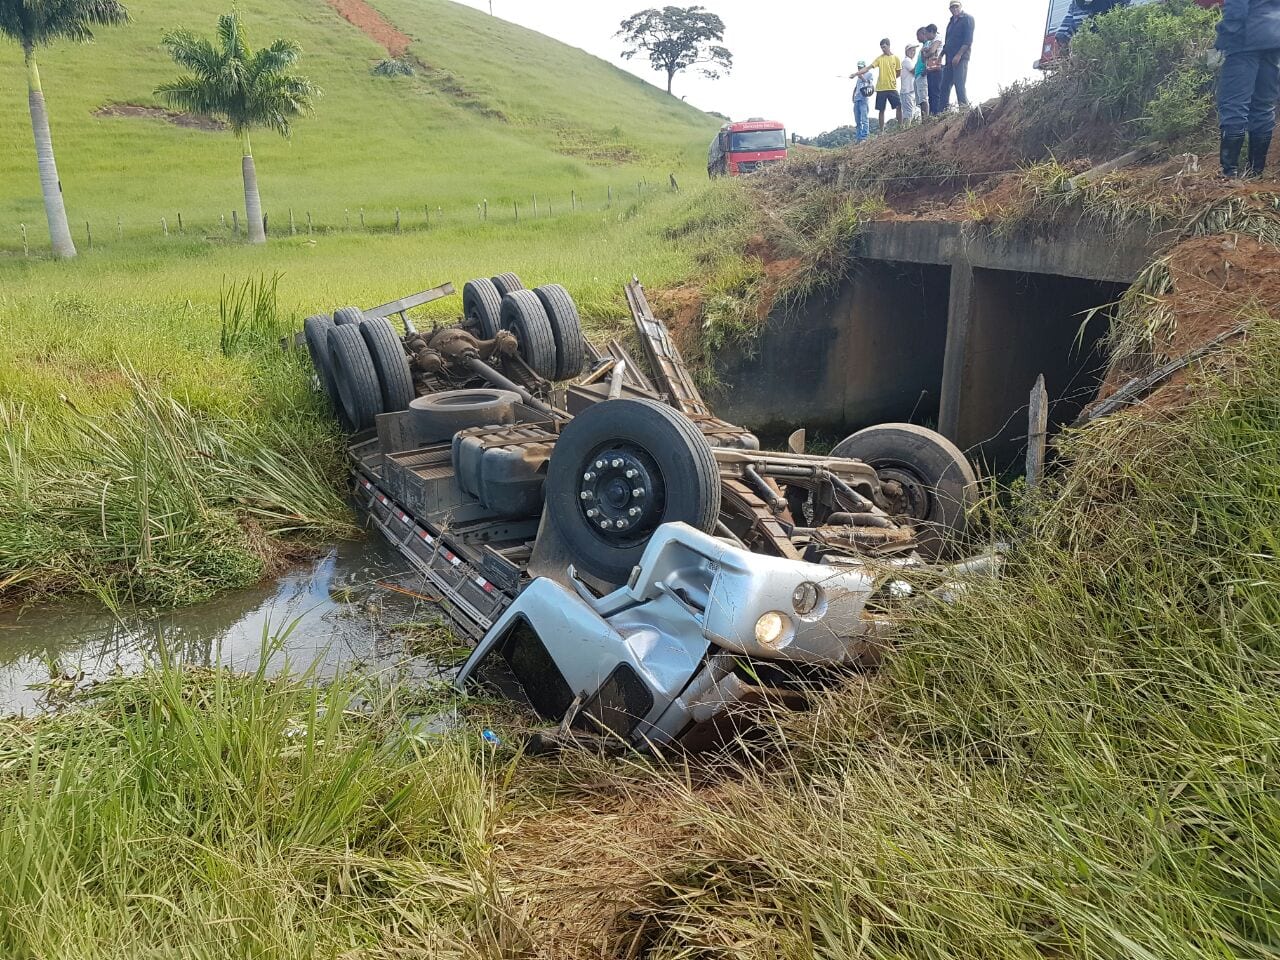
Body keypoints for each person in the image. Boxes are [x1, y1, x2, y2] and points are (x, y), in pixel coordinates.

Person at [1216, 0, 1280, 177]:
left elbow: (1237, 7)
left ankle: (1230, 173)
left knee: (1234, 104)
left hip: (1245, 40)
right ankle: (1256, 172)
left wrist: (1225, 36)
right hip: (1274, 37)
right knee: (1263, 105)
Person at [942, 1, 975, 110]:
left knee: (959, 84)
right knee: (944, 86)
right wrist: (940, 56)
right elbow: (947, 42)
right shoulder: (951, 22)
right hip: (949, 58)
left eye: (956, 6)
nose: (954, 9)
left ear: (960, 6)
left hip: (960, 58)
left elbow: (968, 40)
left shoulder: (967, 19)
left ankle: (964, 111)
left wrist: (959, 55)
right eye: (952, 7)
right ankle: (942, 113)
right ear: (950, 9)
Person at [871, 39, 903, 133]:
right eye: (881, 47)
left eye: (884, 47)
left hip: (891, 87)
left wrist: (892, 79)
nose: (883, 49)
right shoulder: (880, 58)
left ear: (889, 46)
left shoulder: (895, 58)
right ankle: (882, 131)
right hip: (881, 88)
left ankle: (900, 127)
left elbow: (898, 72)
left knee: (898, 105)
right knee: (881, 109)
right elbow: (870, 66)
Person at [849, 60, 876, 143]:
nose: (859, 68)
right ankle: (858, 138)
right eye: (859, 67)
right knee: (857, 120)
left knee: (864, 118)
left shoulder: (869, 74)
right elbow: (856, 87)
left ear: (865, 67)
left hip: (864, 99)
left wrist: (862, 77)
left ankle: (864, 137)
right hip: (857, 99)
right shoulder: (858, 77)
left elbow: (870, 84)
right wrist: (853, 96)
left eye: (861, 67)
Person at [923, 24, 945, 115]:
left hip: (937, 68)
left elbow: (932, 51)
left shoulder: (938, 38)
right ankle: (932, 114)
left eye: (926, 33)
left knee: (935, 92)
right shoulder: (932, 42)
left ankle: (937, 113)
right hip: (931, 68)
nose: (926, 36)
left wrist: (926, 52)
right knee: (931, 93)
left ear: (932, 32)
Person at [913, 28, 933, 120]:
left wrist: (926, 69)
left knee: (923, 98)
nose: (917, 38)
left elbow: (928, 58)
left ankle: (925, 120)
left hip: (922, 74)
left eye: (918, 35)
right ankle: (923, 120)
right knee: (920, 100)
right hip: (918, 75)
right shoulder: (924, 46)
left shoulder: (928, 44)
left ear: (923, 34)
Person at [900, 43, 920, 125]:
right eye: (911, 50)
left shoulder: (910, 61)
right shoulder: (906, 61)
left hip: (910, 90)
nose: (913, 52)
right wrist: (921, 61)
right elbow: (914, 71)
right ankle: (905, 129)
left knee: (910, 112)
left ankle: (906, 129)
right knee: (908, 113)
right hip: (906, 91)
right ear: (907, 51)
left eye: (914, 50)